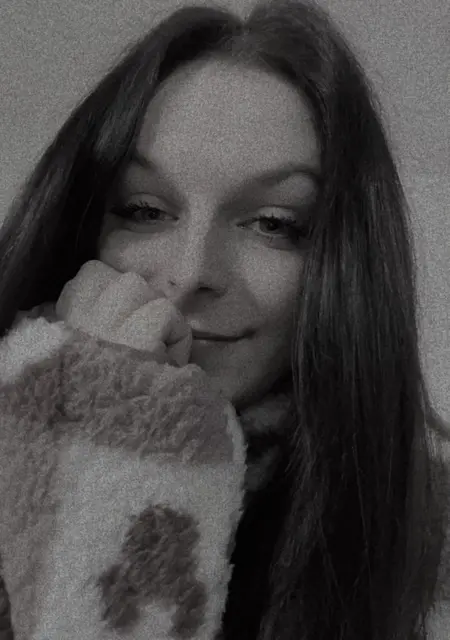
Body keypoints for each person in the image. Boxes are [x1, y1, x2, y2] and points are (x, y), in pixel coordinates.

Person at [0, 0, 448, 638]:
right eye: (145, 210)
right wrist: (94, 416)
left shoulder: (427, 542)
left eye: (273, 223)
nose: (191, 272)